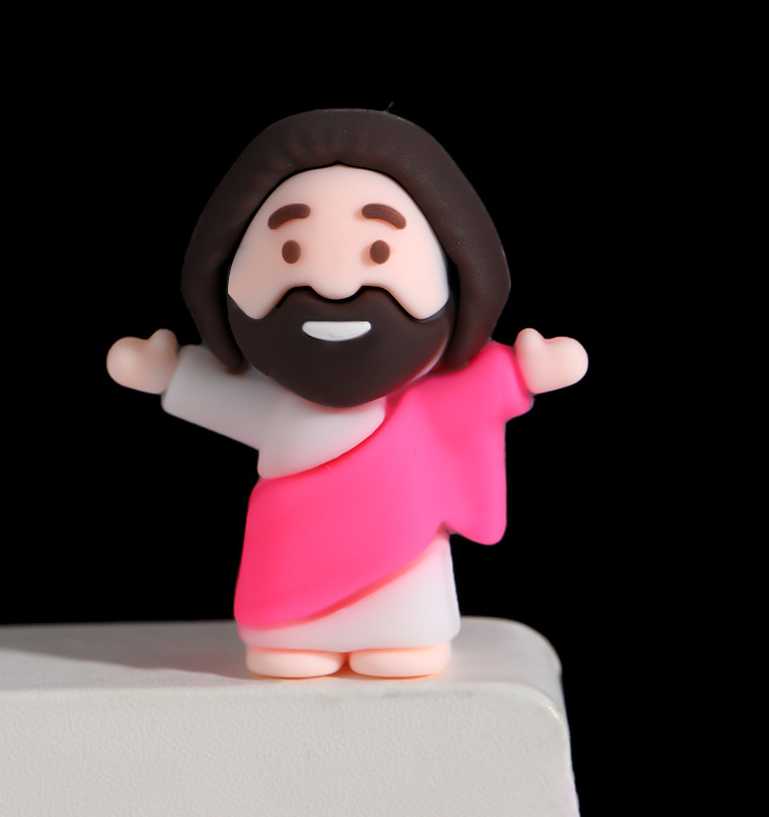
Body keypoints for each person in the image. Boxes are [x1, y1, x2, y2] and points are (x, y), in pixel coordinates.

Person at [107, 109, 587, 678]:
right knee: (290, 633)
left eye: (378, 253)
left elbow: (487, 388)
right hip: (290, 569)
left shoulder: (433, 397)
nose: (335, 285)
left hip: (405, 573)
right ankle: (295, 636)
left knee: (404, 618)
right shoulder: (280, 406)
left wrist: (527, 371)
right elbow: (219, 394)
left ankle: (401, 635)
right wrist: (168, 373)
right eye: (291, 252)